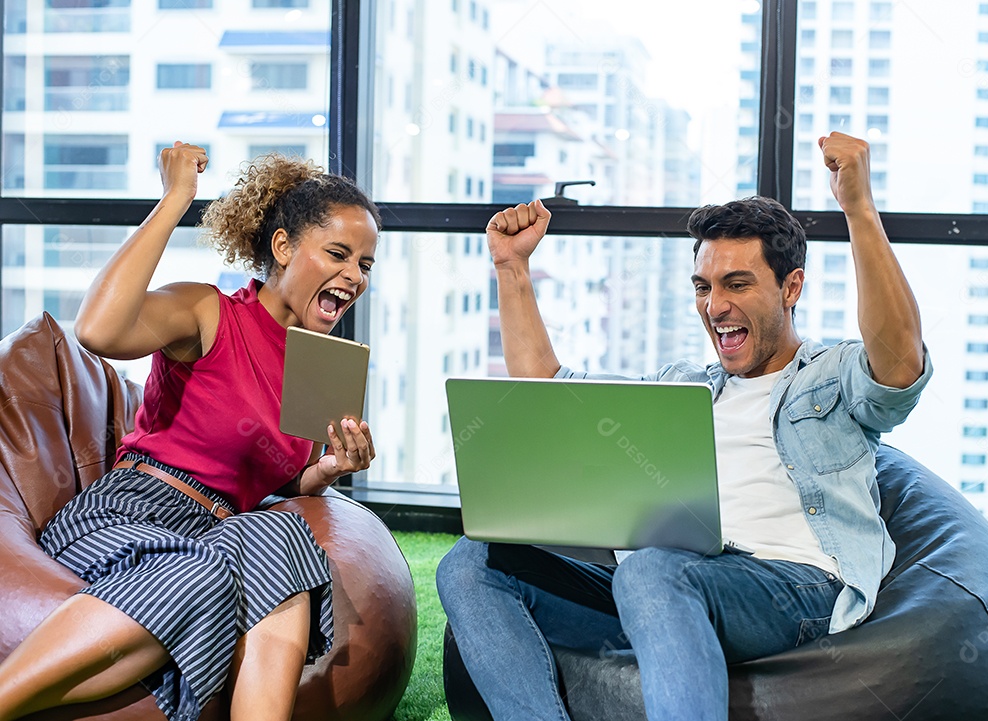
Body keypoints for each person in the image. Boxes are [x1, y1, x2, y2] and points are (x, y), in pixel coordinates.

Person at [436, 131, 932, 720]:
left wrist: (857, 206)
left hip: (790, 585)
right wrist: (511, 266)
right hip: (658, 585)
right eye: (704, 287)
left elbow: (899, 362)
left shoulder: (830, 376)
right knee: (471, 563)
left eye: (737, 285)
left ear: (791, 286)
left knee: (653, 569)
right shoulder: (680, 386)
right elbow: (549, 386)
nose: (715, 306)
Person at [0, 142, 380, 721]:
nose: (353, 277)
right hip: (129, 513)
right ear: (283, 247)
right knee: (207, 576)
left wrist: (329, 470)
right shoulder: (210, 312)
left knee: (287, 543)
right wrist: (175, 199)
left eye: (365, 265)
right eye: (338, 254)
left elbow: (282, 480)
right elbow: (99, 330)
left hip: (210, 532)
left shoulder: (320, 366)